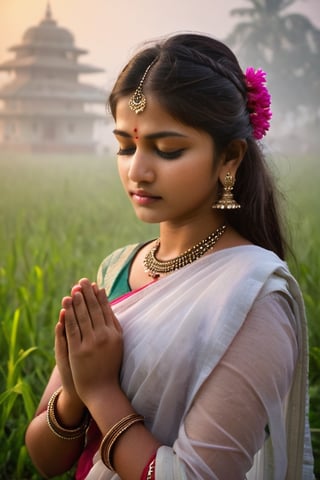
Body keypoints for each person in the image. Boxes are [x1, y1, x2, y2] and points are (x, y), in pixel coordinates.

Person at [25, 33, 314, 480]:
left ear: (229, 158)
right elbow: (45, 460)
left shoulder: (254, 298)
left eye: (168, 150)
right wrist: (74, 394)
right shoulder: (116, 268)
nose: (137, 171)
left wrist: (100, 388)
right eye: (125, 146)